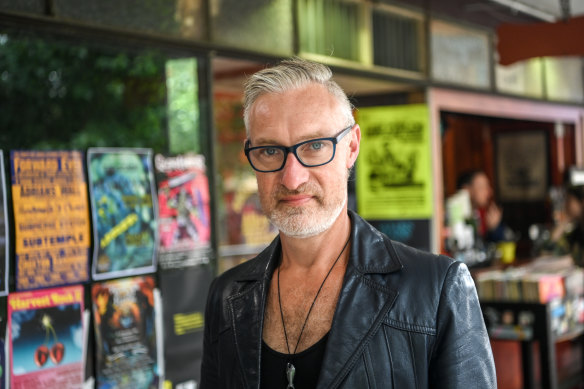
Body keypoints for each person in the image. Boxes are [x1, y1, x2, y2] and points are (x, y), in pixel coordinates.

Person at [201, 58, 496, 388]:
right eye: (270, 151)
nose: (292, 178)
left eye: (314, 146)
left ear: (351, 147)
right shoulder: (226, 297)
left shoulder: (437, 290)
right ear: (251, 157)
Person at [457, 170, 506, 243]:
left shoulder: (482, 215)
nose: (489, 192)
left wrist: (493, 229)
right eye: (483, 187)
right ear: (466, 190)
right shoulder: (456, 218)